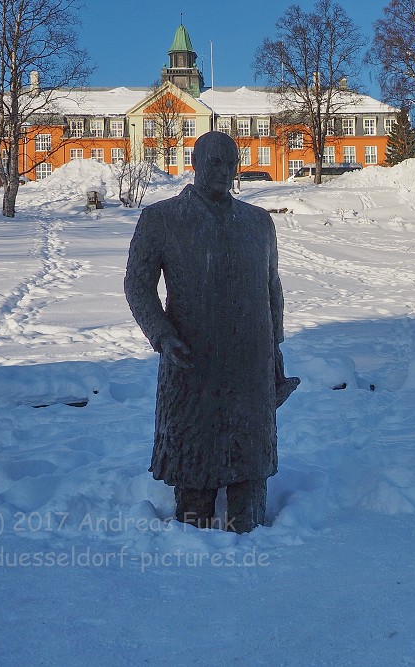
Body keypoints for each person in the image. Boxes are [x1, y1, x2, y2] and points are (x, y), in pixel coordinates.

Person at [125, 131, 298, 532]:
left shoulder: (258, 223)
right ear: (196, 164)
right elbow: (138, 285)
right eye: (214, 162)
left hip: (250, 359)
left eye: (230, 162)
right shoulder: (162, 218)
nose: (223, 171)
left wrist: (275, 348)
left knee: (250, 459)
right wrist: (163, 335)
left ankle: (251, 530)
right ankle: (192, 538)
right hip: (193, 358)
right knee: (194, 460)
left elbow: (271, 287)